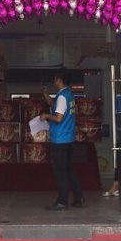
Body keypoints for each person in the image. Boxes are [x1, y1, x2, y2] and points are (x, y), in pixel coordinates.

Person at [40, 69, 84, 211]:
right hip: (68, 138)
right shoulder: (68, 94)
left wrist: (46, 116)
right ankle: (78, 197)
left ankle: (63, 201)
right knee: (69, 169)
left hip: (60, 140)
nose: (54, 81)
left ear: (59, 80)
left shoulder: (62, 97)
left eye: (55, 79)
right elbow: (54, 105)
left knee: (60, 172)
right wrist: (45, 93)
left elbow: (58, 118)